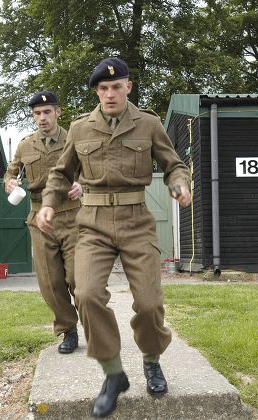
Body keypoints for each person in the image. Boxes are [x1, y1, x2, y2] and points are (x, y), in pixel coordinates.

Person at [37, 59, 191, 418]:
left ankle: (151, 360)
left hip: (137, 221)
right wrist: (48, 204)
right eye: (103, 89)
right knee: (87, 294)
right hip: (91, 223)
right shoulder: (80, 128)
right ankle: (113, 373)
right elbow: (61, 174)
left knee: (150, 303)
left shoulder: (148, 124)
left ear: (128, 87)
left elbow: (173, 164)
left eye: (116, 86)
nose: (109, 94)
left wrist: (179, 185)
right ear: (96, 92)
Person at [3, 91, 82, 354]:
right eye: (37, 113)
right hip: (39, 219)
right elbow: (10, 172)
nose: (42, 118)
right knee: (50, 281)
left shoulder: (74, 137)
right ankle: (68, 330)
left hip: (72, 215)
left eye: (47, 112)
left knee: (78, 277)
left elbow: (93, 169)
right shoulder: (26, 145)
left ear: (58, 112)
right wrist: (10, 182)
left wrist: (83, 184)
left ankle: (93, 322)